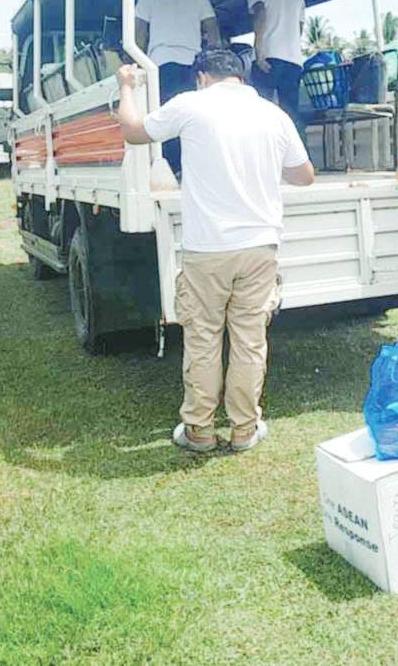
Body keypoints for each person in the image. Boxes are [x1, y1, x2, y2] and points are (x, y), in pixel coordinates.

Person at [115, 47, 315, 454]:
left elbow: (134, 132)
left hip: (207, 248)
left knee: (204, 338)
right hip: (260, 246)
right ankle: (244, 430)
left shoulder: (191, 104)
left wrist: (126, 87)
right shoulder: (273, 115)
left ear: (201, 77)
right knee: (249, 340)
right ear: (240, 76)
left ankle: (199, 431)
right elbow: (304, 175)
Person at [134, 0, 222, 176]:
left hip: (160, 64)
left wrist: (134, 59)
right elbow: (212, 30)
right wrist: (212, 58)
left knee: (166, 115)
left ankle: (171, 167)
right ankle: (191, 166)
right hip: (192, 65)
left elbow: (140, 31)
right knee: (193, 116)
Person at [246, 0, 306, 132]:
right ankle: (299, 157)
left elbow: (260, 13)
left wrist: (258, 51)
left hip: (269, 57)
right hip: (294, 60)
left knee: (261, 113)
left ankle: (264, 156)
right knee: (292, 116)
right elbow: (299, 28)